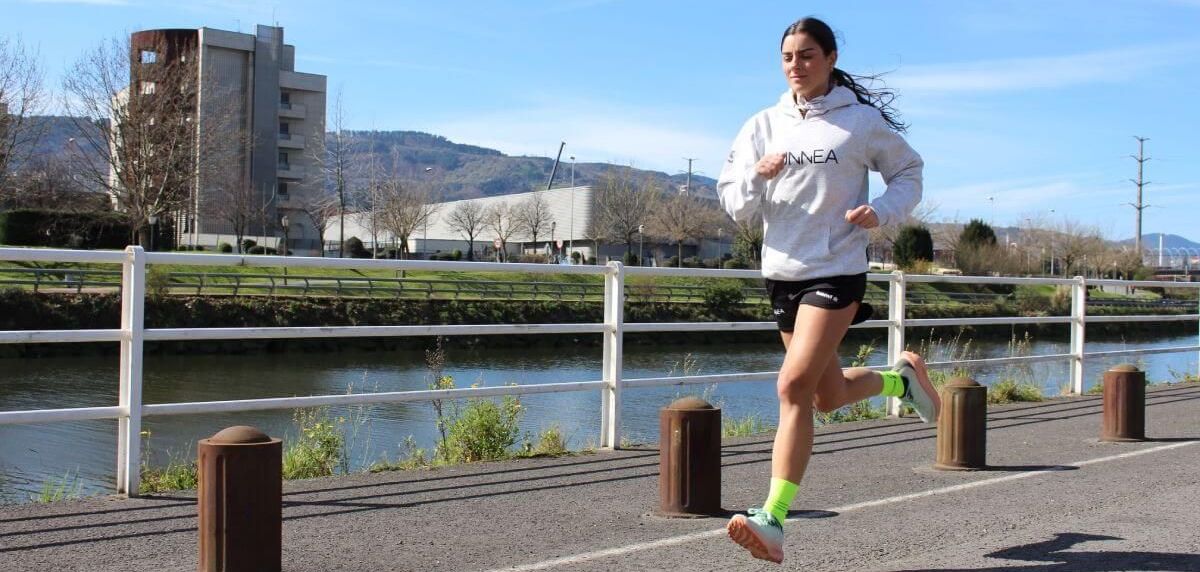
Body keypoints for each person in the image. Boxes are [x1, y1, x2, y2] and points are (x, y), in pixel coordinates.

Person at [717, 16, 940, 564]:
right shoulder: (761, 125)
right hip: (782, 272)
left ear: (832, 58)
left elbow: (909, 170)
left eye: (809, 55)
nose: (798, 65)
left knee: (792, 387)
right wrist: (756, 177)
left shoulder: (859, 123)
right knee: (826, 395)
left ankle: (772, 518)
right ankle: (899, 379)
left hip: (836, 269)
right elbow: (734, 202)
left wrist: (881, 211)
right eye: (790, 57)